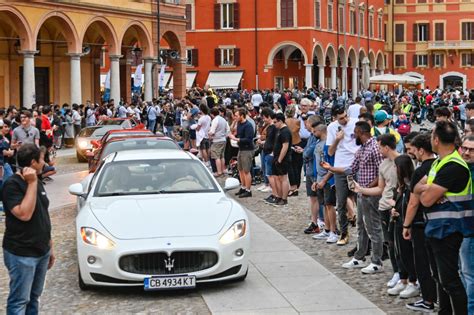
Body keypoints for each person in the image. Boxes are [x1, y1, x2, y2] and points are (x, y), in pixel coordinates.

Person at [415, 120, 470, 314]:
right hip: (437, 228)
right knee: (440, 278)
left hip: (449, 229)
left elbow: (427, 199)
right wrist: (430, 190)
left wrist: (428, 191)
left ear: (436, 140)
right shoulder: (439, 162)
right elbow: (417, 188)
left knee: (451, 281)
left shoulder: (453, 166)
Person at [324, 121, 384, 273]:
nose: (353, 137)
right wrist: (331, 169)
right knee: (361, 226)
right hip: (362, 192)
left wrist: (370, 187)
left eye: (355, 133)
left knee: (373, 227)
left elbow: (381, 170)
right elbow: (351, 168)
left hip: (371, 193)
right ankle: (360, 257)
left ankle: (377, 261)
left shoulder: (374, 148)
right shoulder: (362, 148)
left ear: (361, 132)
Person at [2, 144, 55, 314]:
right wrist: (31, 183)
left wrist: (50, 246)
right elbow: (24, 214)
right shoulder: (12, 185)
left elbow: (43, 215)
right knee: (19, 301)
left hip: (41, 250)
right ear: (33, 162)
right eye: (41, 160)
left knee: (34, 297)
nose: (44, 164)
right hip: (22, 253)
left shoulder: (37, 181)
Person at [354, 134, 400, 284]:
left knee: (397, 242)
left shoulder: (402, 162)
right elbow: (380, 188)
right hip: (384, 206)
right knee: (390, 242)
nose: (378, 150)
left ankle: (403, 274)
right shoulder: (384, 164)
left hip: (395, 207)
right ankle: (396, 272)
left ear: (386, 147)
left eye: (379, 147)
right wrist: (361, 189)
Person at [402, 133, 438, 312]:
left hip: (419, 223)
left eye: (413, 150)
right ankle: (437, 297)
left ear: (421, 150)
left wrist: (406, 225)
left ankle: (428, 299)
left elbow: (413, 202)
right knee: (436, 263)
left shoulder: (421, 170)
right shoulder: (438, 165)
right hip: (434, 220)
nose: (412, 153)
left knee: (423, 263)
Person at [326, 107, 359, 246]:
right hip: (340, 167)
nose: (345, 120)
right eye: (341, 118)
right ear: (335, 118)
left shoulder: (355, 122)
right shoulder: (332, 128)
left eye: (345, 116)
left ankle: (363, 234)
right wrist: (337, 140)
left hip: (356, 166)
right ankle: (344, 233)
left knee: (360, 200)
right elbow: (330, 152)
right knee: (341, 202)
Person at [312, 123, 338, 244]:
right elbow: (316, 162)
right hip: (320, 178)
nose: (312, 133)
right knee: (325, 205)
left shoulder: (328, 145)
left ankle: (333, 231)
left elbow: (332, 166)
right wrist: (315, 180)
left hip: (328, 179)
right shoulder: (318, 144)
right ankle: (327, 229)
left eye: (314, 131)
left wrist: (324, 180)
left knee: (329, 205)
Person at [460, 135, 474, 315]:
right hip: (461, 228)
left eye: (471, 150)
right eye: (465, 148)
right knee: (463, 273)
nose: (467, 153)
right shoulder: (461, 169)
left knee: (469, 275)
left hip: (470, 230)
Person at [229, 108, 254, 198]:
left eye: (236, 115)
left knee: (246, 170)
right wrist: (234, 123)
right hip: (241, 149)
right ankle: (243, 187)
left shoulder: (248, 125)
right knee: (240, 169)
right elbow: (234, 130)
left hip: (247, 150)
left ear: (242, 116)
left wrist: (235, 138)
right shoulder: (239, 123)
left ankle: (248, 190)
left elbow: (248, 139)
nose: (235, 117)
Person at [271, 113, 292, 206]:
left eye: (275, 122)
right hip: (276, 157)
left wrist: (280, 159)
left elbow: (285, 146)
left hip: (283, 158)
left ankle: (284, 198)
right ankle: (279, 196)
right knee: (277, 177)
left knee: (283, 178)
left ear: (280, 121)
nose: (274, 124)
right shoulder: (279, 130)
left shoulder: (285, 131)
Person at [208, 107, 230, 177]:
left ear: (212, 114)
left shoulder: (215, 120)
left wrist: (209, 134)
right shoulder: (223, 119)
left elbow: (212, 131)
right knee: (222, 156)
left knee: (216, 156)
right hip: (223, 139)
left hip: (216, 140)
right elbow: (228, 130)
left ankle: (219, 172)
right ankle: (223, 169)